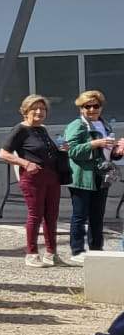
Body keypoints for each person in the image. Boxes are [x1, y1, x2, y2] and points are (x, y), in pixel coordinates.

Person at [0, 95, 69, 268]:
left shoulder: (42, 129)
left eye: (43, 109)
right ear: (26, 111)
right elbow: (3, 153)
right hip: (33, 178)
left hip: (51, 177)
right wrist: (25, 163)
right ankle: (31, 254)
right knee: (35, 215)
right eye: (35, 109)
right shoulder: (20, 129)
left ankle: (51, 254)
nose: (39, 112)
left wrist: (62, 150)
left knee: (51, 216)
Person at [66, 90, 114, 261]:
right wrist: (93, 144)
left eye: (96, 106)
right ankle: (77, 250)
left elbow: (107, 152)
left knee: (97, 215)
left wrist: (118, 151)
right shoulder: (77, 125)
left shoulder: (106, 125)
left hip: (101, 176)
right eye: (88, 106)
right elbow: (71, 150)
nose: (92, 109)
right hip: (82, 177)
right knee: (80, 215)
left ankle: (96, 248)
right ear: (81, 108)